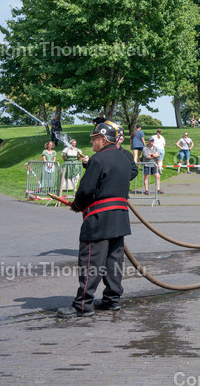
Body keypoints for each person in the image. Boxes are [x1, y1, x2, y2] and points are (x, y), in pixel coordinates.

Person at [57, 120, 138, 317]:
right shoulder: (124, 158)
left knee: (91, 262)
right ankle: (112, 300)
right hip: (119, 217)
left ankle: (83, 304)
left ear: (103, 139)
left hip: (99, 219)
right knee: (113, 262)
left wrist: (77, 206)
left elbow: (85, 190)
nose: (92, 143)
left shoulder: (98, 159)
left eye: (94, 139)